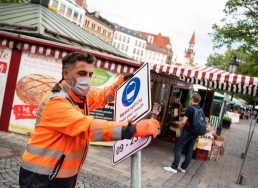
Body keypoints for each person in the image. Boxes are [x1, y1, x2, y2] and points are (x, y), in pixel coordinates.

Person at [18, 52, 160, 188]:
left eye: (90, 74)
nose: (87, 79)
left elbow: (102, 96)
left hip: (59, 176)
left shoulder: (79, 97)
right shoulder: (55, 102)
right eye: (82, 73)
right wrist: (132, 129)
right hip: (40, 178)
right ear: (66, 74)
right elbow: (88, 127)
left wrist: (120, 84)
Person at [163, 94, 205, 174]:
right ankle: (183, 168)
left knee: (179, 147)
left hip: (187, 131)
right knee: (190, 149)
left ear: (192, 99)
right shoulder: (200, 109)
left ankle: (174, 167)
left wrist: (180, 127)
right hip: (195, 132)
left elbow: (183, 121)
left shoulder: (190, 108)